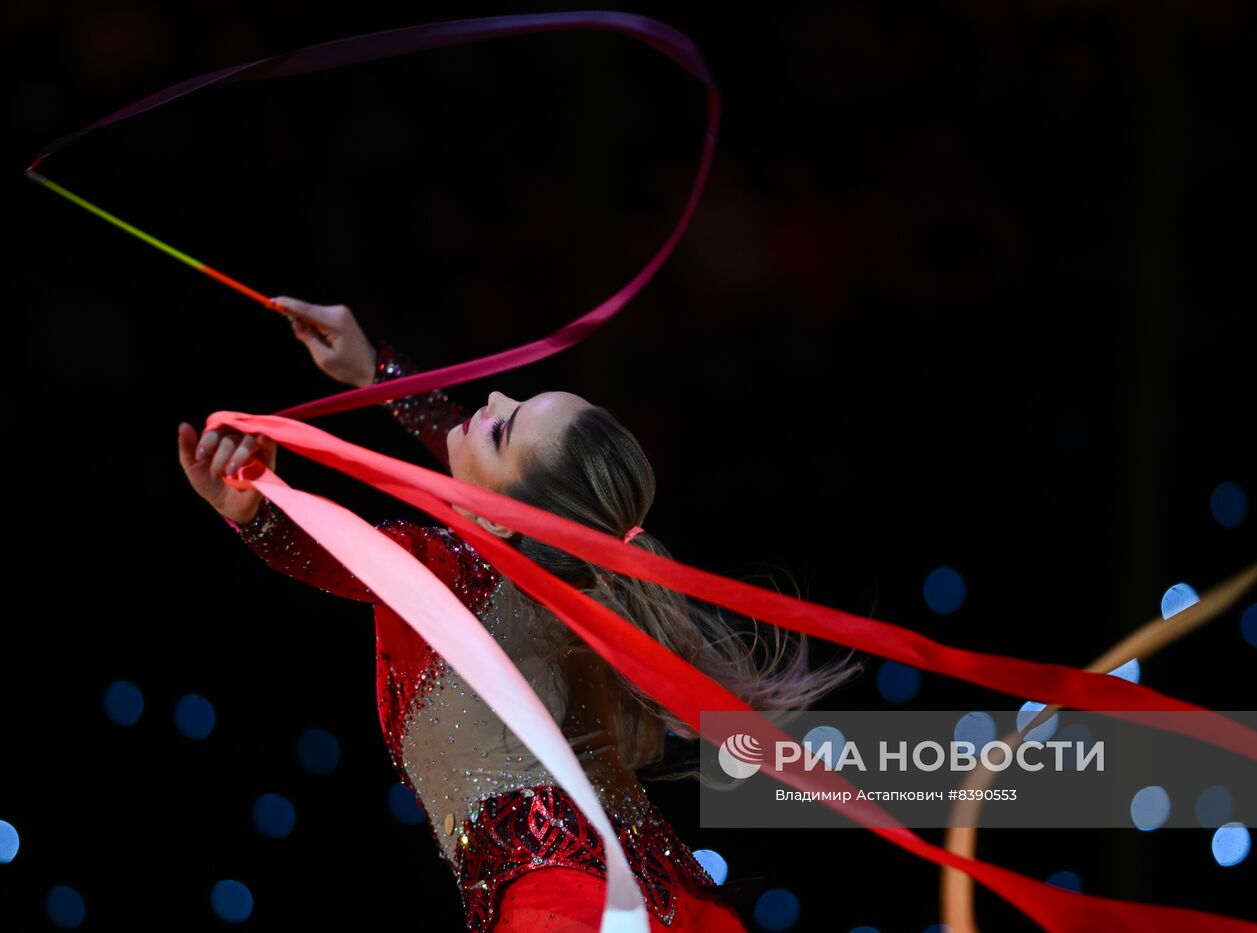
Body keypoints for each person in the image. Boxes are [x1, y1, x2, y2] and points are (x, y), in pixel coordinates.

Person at [176, 297, 865, 931]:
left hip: (565, 906)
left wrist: (256, 511)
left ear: (497, 519)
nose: (496, 394)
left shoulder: (450, 573)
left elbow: (343, 551)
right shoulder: (576, 569)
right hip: (665, 895)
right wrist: (370, 367)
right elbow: (498, 474)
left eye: (503, 426)